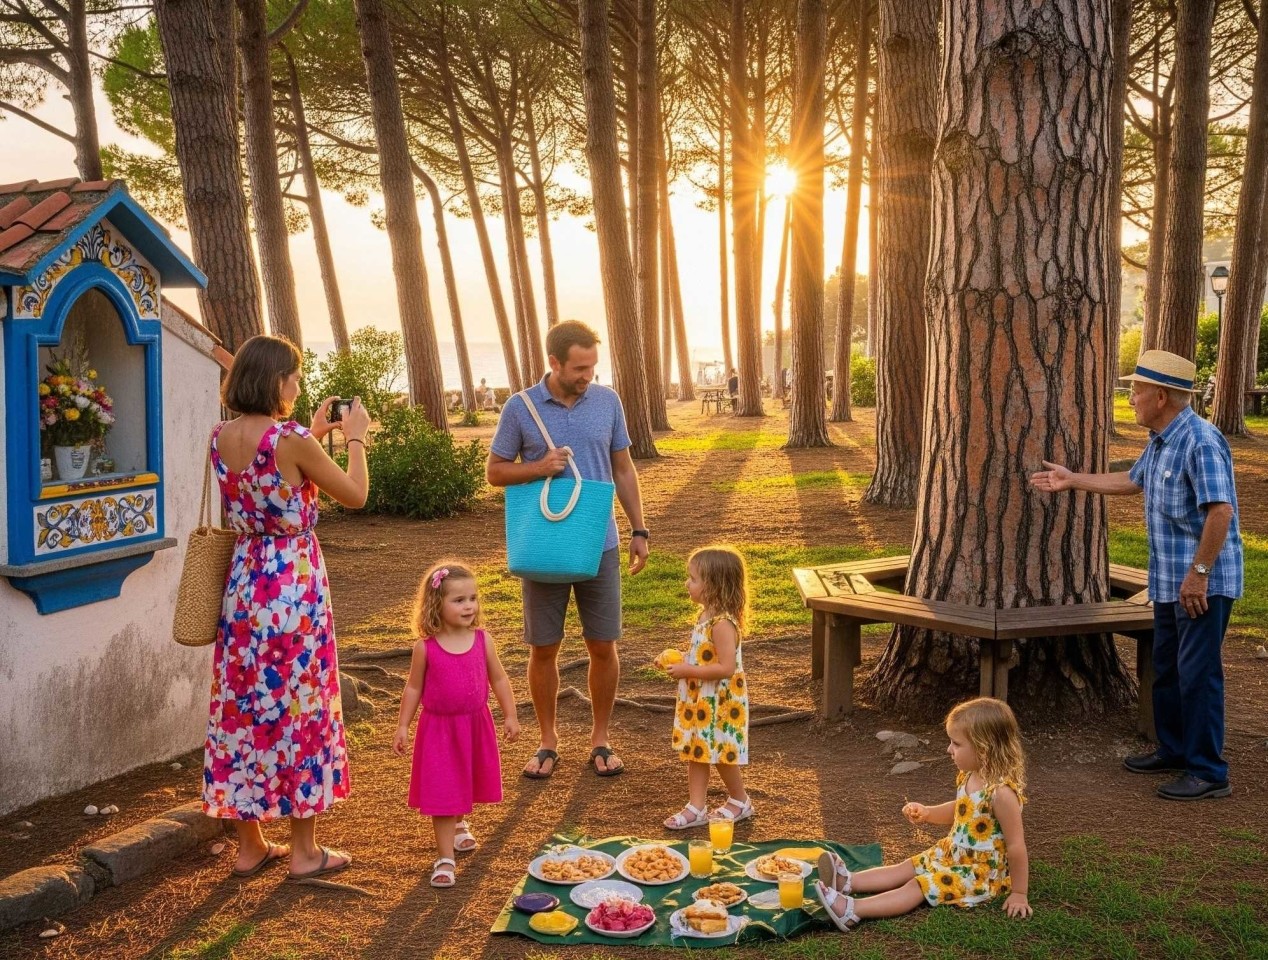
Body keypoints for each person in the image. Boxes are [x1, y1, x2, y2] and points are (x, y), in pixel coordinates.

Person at [1030, 349, 1242, 801]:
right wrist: (1073, 480)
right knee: (1167, 668)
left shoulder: (1200, 441)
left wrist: (1199, 574)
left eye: (1137, 390)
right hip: (1169, 581)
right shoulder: (1163, 440)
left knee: (1198, 673)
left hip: (1202, 583)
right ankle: (1174, 749)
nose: (1130, 398)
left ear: (1161, 396)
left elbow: (1220, 511)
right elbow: (1134, 480)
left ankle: (1208, 771)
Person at [204, 335, 370, 880]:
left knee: (244, 709)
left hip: (245, 584)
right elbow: (354, 494)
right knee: (300, 710)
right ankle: (304, 852)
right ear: (276, 380)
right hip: (292, 591)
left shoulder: (220, 435)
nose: (298, 386)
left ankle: (250, 846)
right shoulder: (292, 438)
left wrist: (315, 437)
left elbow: (267, 479)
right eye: (294, 377)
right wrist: (355, 439)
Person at [486, 320, 649, 780]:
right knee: (544, 648)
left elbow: (624, 468)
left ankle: (600, 737)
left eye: (593, 365)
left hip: (601, 544)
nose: (588, 375)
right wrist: (540, 467)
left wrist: (640, 529)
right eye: (579, 367)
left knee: (603, 644)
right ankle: (547, 741)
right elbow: (495, 472)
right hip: (545, 547)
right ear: (553, 362)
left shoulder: (608, 401)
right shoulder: (520, 408)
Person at [815, 698, 1031, 930]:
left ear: (983, 749)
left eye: (956, 744)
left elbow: (1016, 846)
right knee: (907, 867)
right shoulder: (970, 775)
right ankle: (847, 881)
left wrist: (1019, 892)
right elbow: (961, 811)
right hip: (953, 853)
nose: (949, 749)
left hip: (980, 873)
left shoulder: (1002, 794)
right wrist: (928, 813)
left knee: (918, 885)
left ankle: (852, 911)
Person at [392, 561, 520, 888]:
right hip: (439, 731)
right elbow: (414, 688)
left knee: (465, 781)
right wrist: (403, 725)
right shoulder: (426, 648)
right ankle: (445, 857)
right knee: (444, 790)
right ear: (437, 604)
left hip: (475, 726)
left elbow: (499, 678)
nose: (469, 606)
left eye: (473, 599)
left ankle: (461, 825)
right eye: (459, 600)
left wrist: (510, 714)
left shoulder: (483, 640)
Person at [661, 546, 754, 828]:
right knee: (697, 751)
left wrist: (688, 670)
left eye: (693, 579)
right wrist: (677, 659)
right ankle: (696, 807)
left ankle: (740, 801)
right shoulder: (704, 617)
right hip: (700, 699)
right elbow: (704, 655)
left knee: (723, 754)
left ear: (712, 586)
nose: (687, 584)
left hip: (721, 702)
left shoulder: (722, 624)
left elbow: (726, 668)